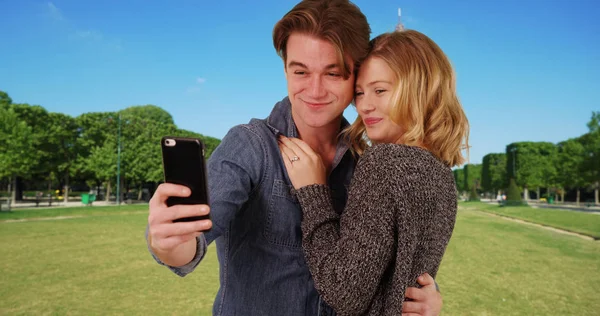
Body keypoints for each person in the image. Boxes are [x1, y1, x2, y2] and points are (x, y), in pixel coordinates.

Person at [146, 1, 442, 315]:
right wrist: (168, 243)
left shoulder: (366, 163)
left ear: (357, 72)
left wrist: (426, 296)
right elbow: (193, 238)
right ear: (286, 69)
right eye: (300, 71)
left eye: (333, 73)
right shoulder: (250, 146)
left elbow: (384, 268)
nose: (314, 90)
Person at [278, 29, 469, 315]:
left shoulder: (383, 162)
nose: (365, 106)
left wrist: (313, 192)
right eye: (359, 93)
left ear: (420, 88)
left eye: (380, 90)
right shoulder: (441, 173)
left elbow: (343, 292)